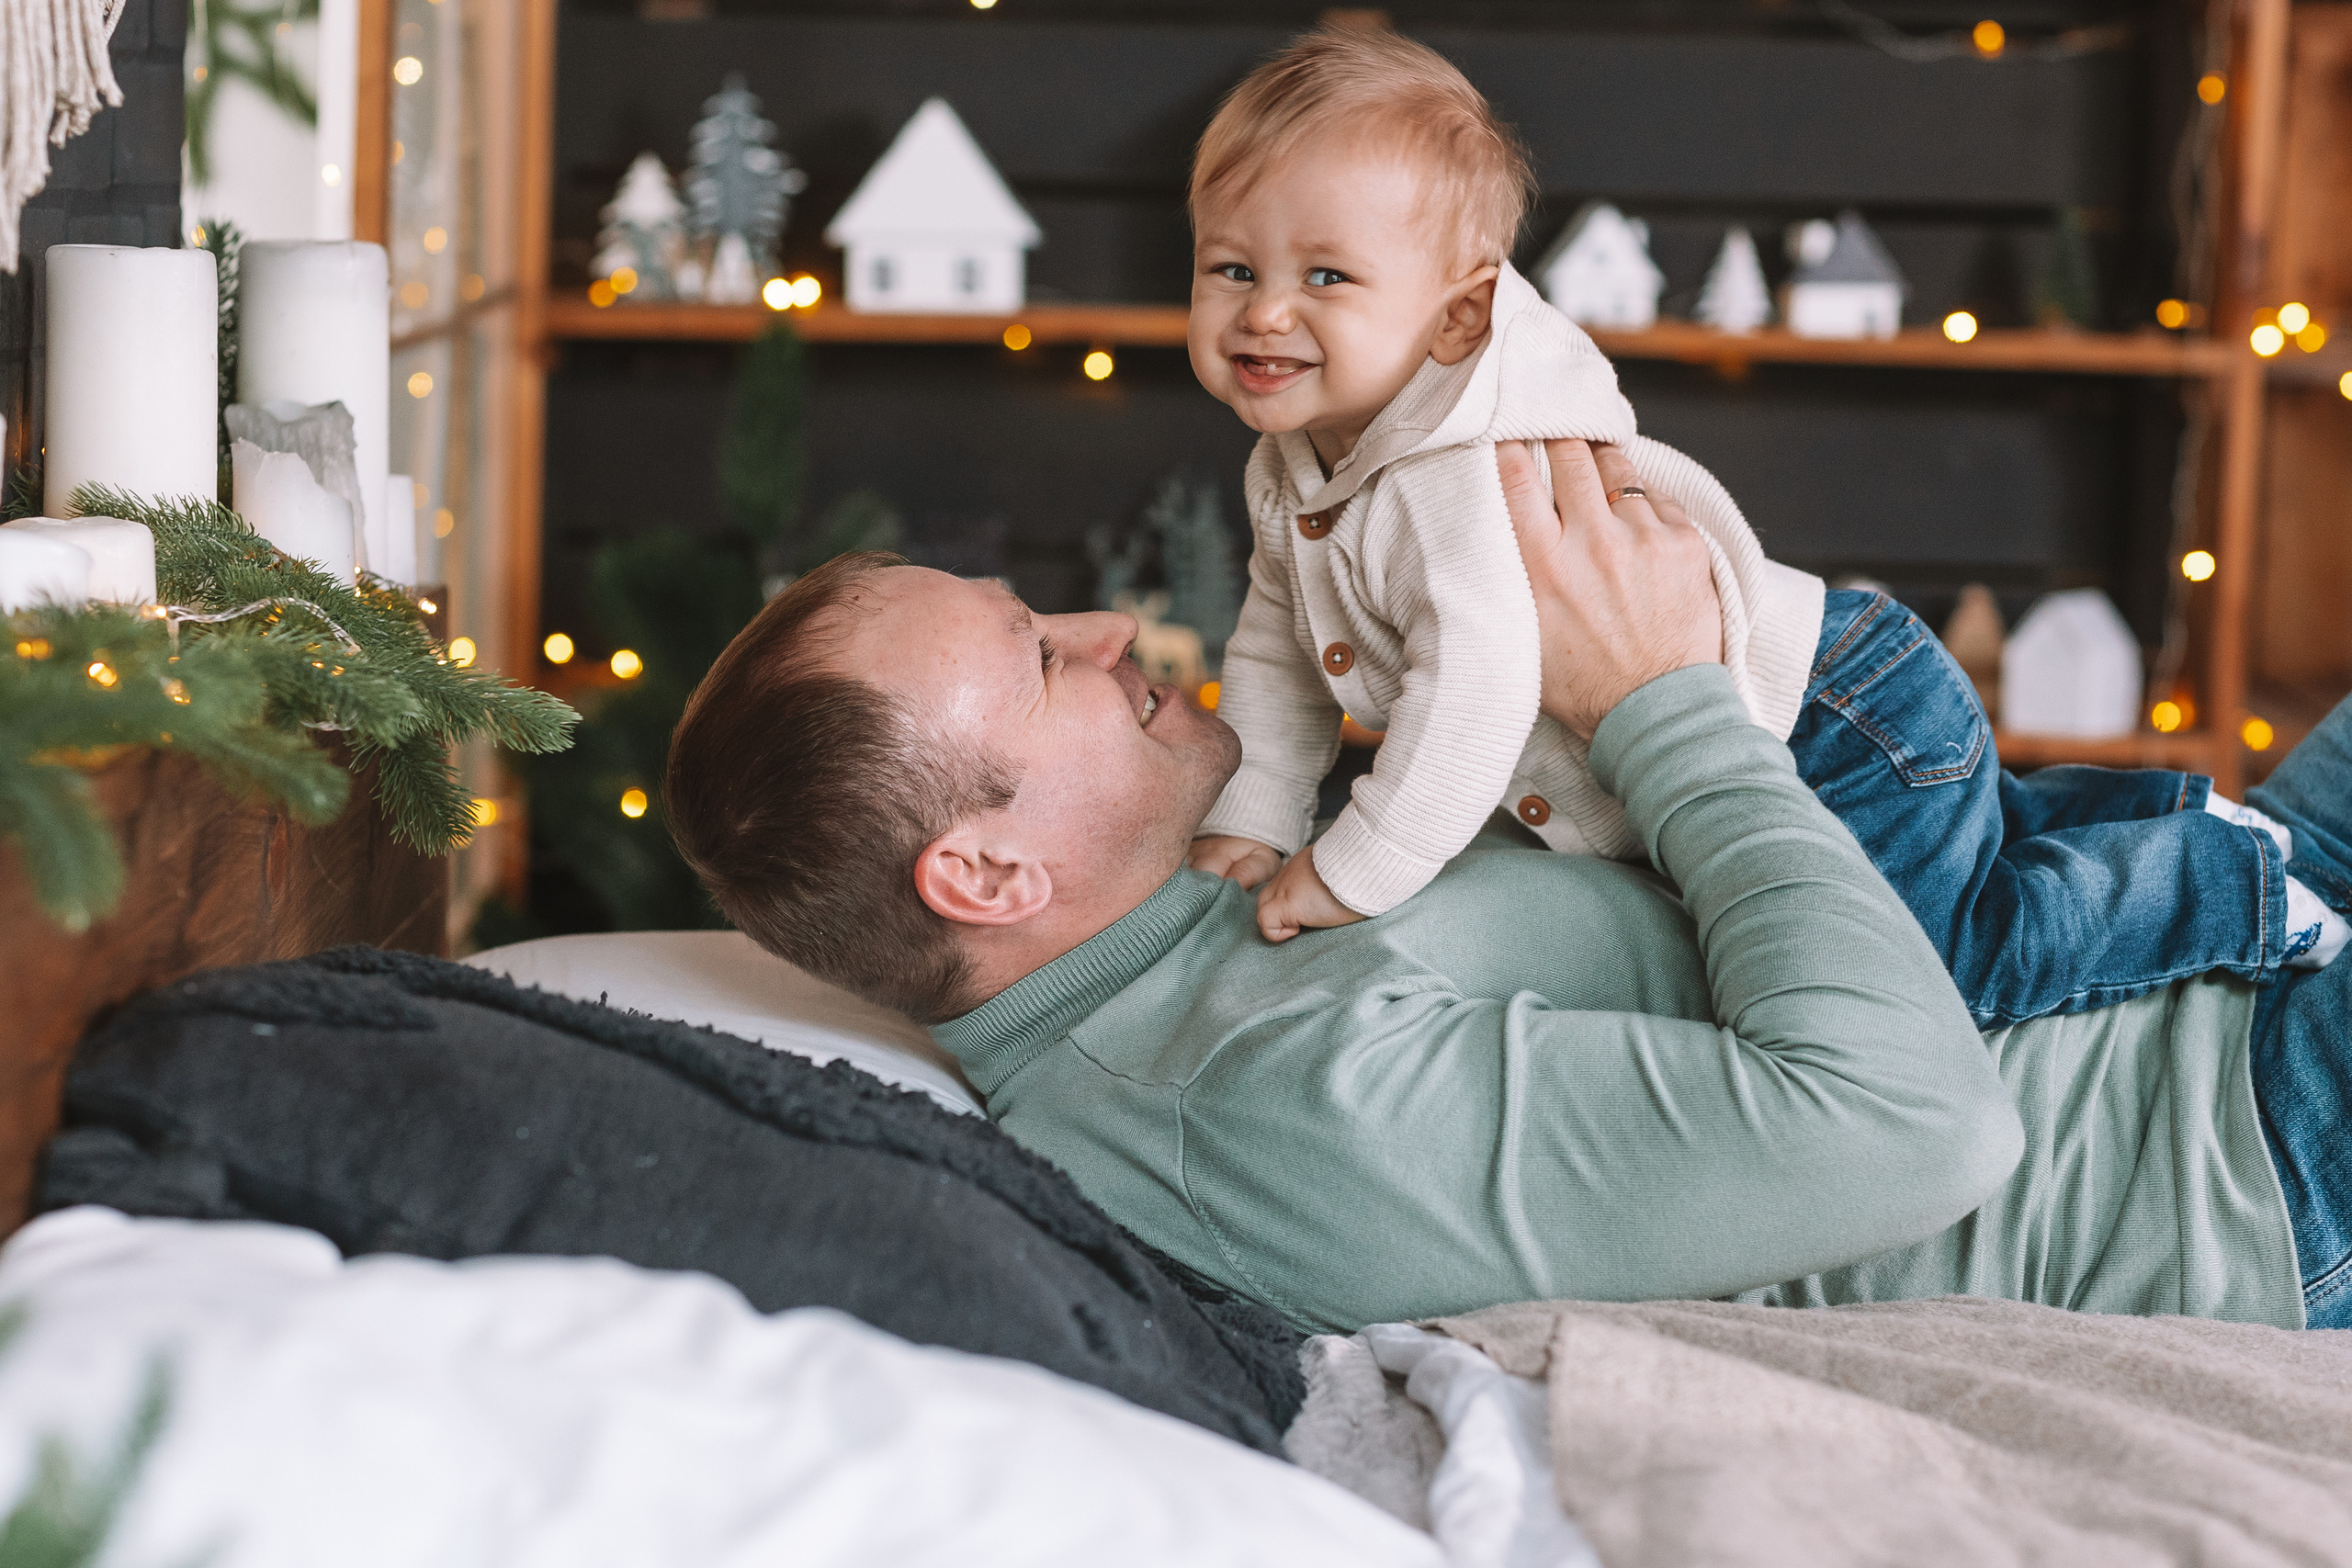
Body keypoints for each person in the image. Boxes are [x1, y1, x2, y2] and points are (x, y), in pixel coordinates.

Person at [663, 437, 2352, 1336]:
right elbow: (1927, 1129)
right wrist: (1662, 700)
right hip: (2231, 1150)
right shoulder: (1264, 1102)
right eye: (1042, 658)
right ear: (981, 869)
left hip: (2195, 931)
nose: (1109, 634)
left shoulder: (1215, 902)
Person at [1174, 26, 2343, 1022]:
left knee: (1926, 986)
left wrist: (1357, 866)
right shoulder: (1291, 468)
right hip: (1844, 690)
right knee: (1981, 840)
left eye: (1326, 277)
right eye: (1229, 268)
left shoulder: (1455, 476)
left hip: (1822, 731)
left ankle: (2217, 881)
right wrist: (1253, 817)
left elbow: (1473, 688)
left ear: (1457, 317)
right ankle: (2166, 807)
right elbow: (1275, 659)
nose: (1264, 310)